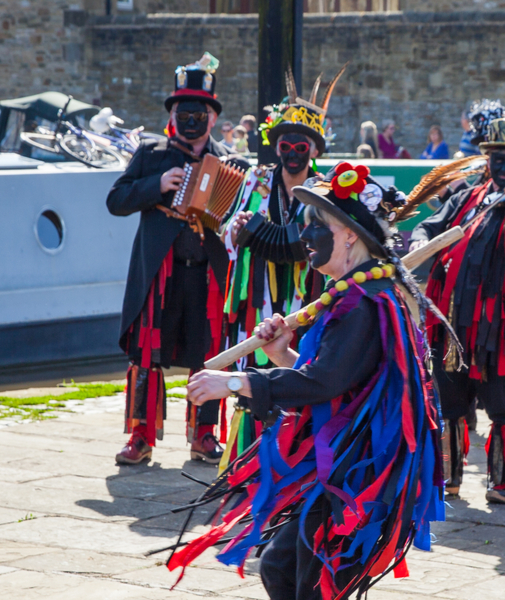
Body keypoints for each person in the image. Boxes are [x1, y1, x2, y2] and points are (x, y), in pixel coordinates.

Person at [177, 166, 443, 600]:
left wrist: (235, 383)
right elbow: (340, 377)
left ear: (351, 236)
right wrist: (283, 355)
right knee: (282, 569)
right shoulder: (355, 293)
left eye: (320, 224)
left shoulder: (364, 302)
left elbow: (323, 381)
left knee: (309, 585)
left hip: (354, 479)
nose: (307, 234)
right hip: (337, 467)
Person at [105, 53, 245, 466]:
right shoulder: (151, 155)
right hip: (160, 274)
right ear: (171, 114)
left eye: (198, 113)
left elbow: (242, 214)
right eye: (183, 112)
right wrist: (155, 185)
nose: (190, 120)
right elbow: (115, 200)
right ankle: (140, 435)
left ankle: (204, 433)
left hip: (207, 276)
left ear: (212, 118)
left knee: (209, 352)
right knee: (146, 354)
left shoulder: (232, 163)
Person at [409, 117, 505, 504]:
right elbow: (429, 227)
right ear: (486, 162)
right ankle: (447, 479)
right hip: (454, 325)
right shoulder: (465, 198)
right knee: (450, 400)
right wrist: (422, 240)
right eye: (498, 160)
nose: (504, 169)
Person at [216, 67, 347, 468]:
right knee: (252, 366)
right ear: (275, 147)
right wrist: (234, 231)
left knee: (303, 369)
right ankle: (246, 462)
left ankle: (297, 459)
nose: (292, 153)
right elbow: (227, 230)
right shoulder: (254, 180)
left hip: (308, 300)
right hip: (256, 298)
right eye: (285, 145)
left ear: (315, 151)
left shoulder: (325, 189)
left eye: (301, 147)